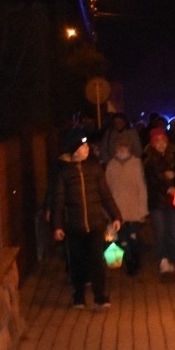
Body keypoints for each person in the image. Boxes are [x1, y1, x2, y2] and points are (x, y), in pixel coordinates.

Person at [52, 128, 120, 309]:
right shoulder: (64, 172)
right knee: (77, 263)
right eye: (83, 146)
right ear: (75, 150)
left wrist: (115, 215)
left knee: (97, 261)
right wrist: (57, 226)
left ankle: (100, 297)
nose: (87, 148)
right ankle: (79, 296)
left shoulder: (94, 168)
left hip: (95, 223)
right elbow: (58, 201)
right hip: (74, 226)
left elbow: (105, 195)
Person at [104, 137, 148, 276]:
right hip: (117, 209)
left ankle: (137, 257)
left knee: (133, 236)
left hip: (134, 207)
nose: (122, 150)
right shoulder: (111, 165)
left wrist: (143, 208)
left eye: (124, 147)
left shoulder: (135, 163)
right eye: (119, 148)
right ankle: (130, 262)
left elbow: (141, 187)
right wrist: (107, 211)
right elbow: (106, 189)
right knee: (122, 239)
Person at [143, 127, 175, 276]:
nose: (161, 144)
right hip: (157, 202)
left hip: (172, 202)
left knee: (172, 231)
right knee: (160, 232)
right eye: (157, 141)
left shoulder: (172, 157)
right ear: (152, 144)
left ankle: (171, 258)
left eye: (163, 140)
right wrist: (166, 186)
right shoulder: (149, 161)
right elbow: (152, 181)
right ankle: (162, 260)